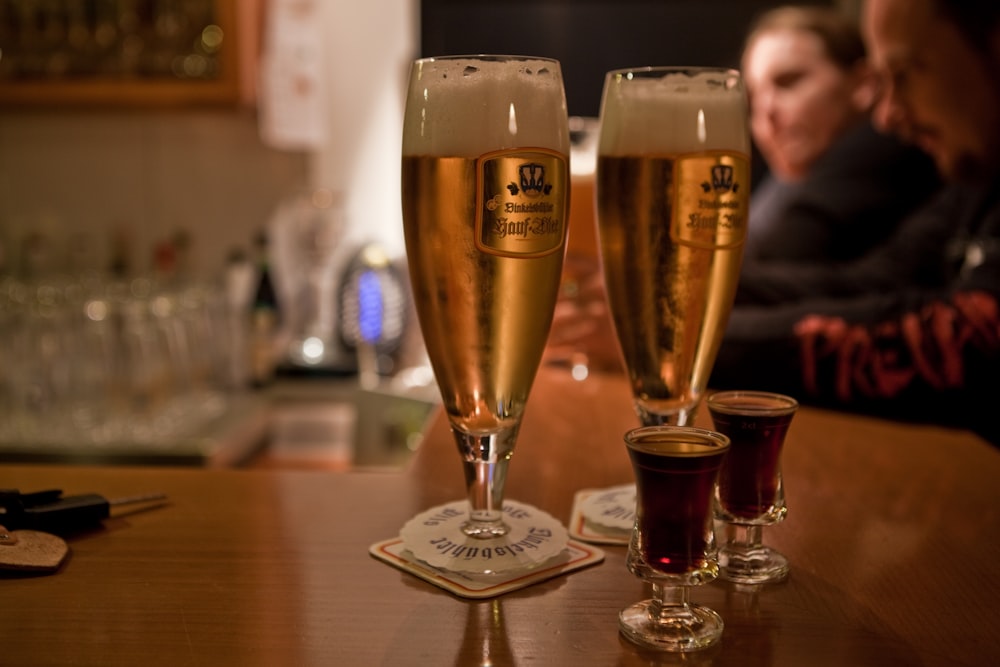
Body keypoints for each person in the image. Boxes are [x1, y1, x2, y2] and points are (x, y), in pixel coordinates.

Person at [711, 0, 1000, 444]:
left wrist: (689, 343)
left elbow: (962, 345)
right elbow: (875, 280)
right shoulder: (977, 181)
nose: (886, 116)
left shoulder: (885, 154)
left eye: (905, 73)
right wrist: (679, 300)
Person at [740, 6, 940, 264]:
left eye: (788, 82)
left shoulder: (884, 147)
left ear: (863, 85)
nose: (766, 111)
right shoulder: (782, 186)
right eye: (753, 97)